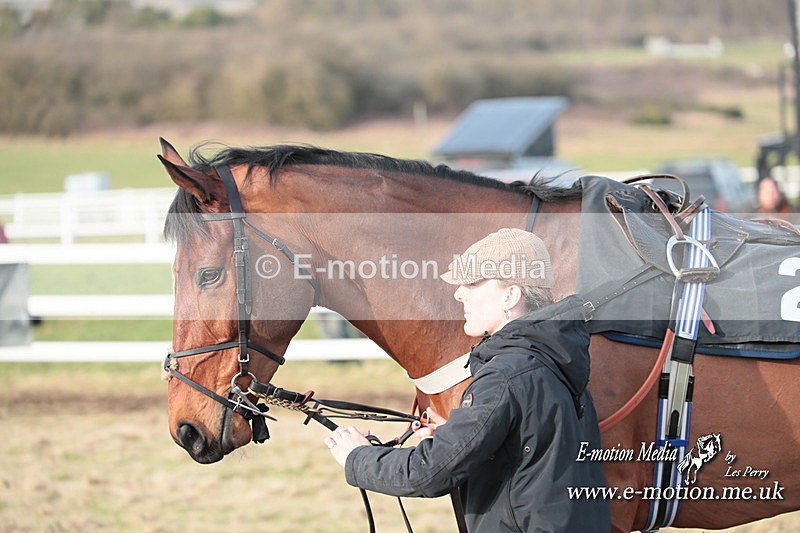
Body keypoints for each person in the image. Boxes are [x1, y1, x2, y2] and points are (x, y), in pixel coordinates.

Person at [324, 228, 610, 532]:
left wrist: (357, 457)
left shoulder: (505, 375)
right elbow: (532, 459)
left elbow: (429, 473)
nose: (459, 293)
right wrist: (455, 436)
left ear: (511, 296)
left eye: (472, 283)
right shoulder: (556, 358)